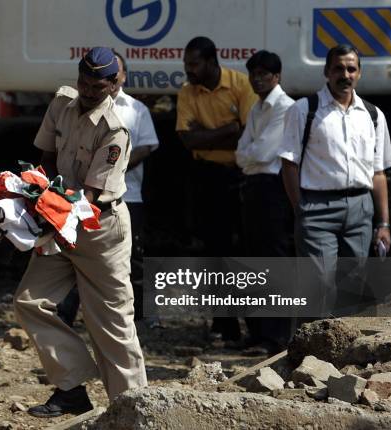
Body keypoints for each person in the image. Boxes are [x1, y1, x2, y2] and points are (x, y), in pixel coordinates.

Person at [14, 47, 147, 418]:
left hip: (100, 231)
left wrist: (50, 210)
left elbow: (90, 197)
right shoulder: (62, 102)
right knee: (29, 302)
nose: (88, 92)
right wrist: (32, 195)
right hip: (60, 224)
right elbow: (47, 157)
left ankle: (134, 409)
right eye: (83, 83)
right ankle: (71, 389)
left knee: (110, 323)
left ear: (114, 84)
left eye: (97, 87)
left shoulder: (115, 132)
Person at [279, 44, 391, 316]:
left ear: (359, 73)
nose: (345, 74)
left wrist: (384, 223)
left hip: (360, 210)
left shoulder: (373, 115)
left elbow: (378, 173)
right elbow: (288, 164)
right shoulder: (304, 110)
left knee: (354, 284)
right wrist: (301, 209)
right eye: (338, 68)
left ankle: (344, 355)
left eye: (351, 68)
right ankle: (308, 354)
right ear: (326, 72)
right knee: (318, 284)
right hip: (316, 209)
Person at [57, 51, 160, 324]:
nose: (92, 87)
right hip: (80, 196)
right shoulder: (72, 107)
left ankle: (134, 317)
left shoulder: (134, 111)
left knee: (126, 261)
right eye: (86, 81)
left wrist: (116, 169)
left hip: (124, 196)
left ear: (118, 79)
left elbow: (147, 146)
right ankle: (69, 314)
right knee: (75, 256)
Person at [176, 36, 257, 340]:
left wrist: (207, 135)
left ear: (212, 61)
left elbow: (248, 133)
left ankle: (257, 327)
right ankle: (225, 324)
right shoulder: (187, 92)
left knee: (245, 250)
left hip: (240, 175)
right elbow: (187, 140)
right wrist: (229, 129)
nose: (189, 70)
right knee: (214, 251)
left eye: (194, 64)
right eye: (186, 64)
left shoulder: (240, 83)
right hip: (207, 177)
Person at [234, 50, 295, 351]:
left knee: (274, 261)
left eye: (263, 74)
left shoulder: (286, 108)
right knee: (253, 260)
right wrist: (248, 156)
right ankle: (258, 333)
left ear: (277, 76)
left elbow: (258, 154)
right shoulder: (258, 109)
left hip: (274, 188)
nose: (257, 79)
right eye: (253, 73)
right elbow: (241, 154)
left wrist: (248, 156)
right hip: (254, 187)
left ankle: (275, 336)